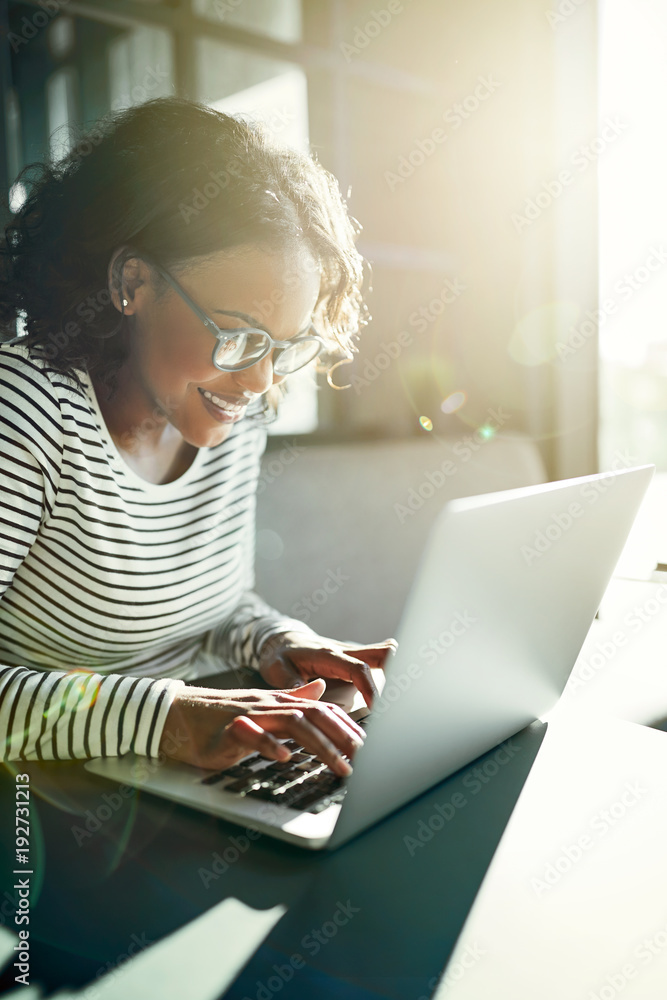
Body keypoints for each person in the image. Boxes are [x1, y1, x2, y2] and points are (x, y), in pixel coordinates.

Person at [0, 97, 396, 777]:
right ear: (133, 283)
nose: (259, 381)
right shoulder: (26, 410)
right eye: (237, 335)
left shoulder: (227, 414)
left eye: (283, 346)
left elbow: (210, 607)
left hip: (182, 778)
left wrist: (276, 643)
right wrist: (168, 717)